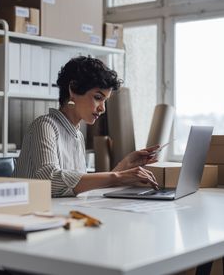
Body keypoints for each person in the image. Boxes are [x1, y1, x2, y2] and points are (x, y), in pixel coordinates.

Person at [14, 56, 159, 197]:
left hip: (62, 212)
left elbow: (77, 186)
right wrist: (117, 176)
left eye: (105, 101)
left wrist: (125, 164)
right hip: (31, 216)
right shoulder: (45, 126)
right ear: (73, 89)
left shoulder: (77, 136)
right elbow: (49, 180)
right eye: (98, 98)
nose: (103, 109)